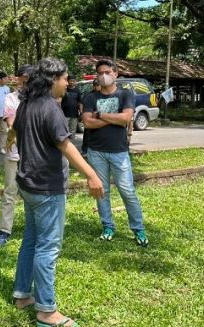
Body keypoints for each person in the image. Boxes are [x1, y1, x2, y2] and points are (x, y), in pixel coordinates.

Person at [11, 57, 104, 327]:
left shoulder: (26, 104)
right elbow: (67, 147)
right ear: (53, 79)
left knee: (31, 240)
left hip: (27, 185)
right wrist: (92, 175)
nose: (67, 83)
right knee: (48, 247)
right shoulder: (50, 109)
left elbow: (15, 132)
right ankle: (46, 311)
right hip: (46, 189)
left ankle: (21, 294)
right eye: (65, 78)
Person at [81, 59, 149, 247]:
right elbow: (87, 122)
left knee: (127, 190)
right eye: (100, 73)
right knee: (101, 191)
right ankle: (108, 226)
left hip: (119, 152)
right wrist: (115, 119)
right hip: (96, 152)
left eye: (107, 72)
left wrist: (101, 116)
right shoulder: (90, 98)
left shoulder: (125, 94)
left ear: (115, 74)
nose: (104, 76)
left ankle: (138, 229)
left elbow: (127, 118)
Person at [0, 64, 33, 246]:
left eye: (29, 80)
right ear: (17, 79)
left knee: (33, 192)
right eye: (22, 79)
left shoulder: (41, 99)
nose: (25, 83)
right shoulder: (10, 98)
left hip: (35, 155)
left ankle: (34, 228)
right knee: (10, 191)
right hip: (14, 153)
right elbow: (11, 123)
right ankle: (4, 230)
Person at [81, 79, 100, 156]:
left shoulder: (102, 94)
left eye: (98, 85)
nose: (97, 87)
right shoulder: (88, 95)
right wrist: (83, 115)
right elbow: (82, 104)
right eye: (95, 85)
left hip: (99, 118)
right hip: (89, 117)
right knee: (87, 135)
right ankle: (85, 150)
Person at [61, 75, 81, 139]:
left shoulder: (77, 91)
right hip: (64, 114)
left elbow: (80, 102)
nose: (72, 82)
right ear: (68, 81)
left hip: (74, 114)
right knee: (64, 130)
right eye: (70, 81)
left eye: (73, 81)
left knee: (72, 131)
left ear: (75, 82)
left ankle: (72, 144)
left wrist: (81, 112)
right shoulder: (64, 89)